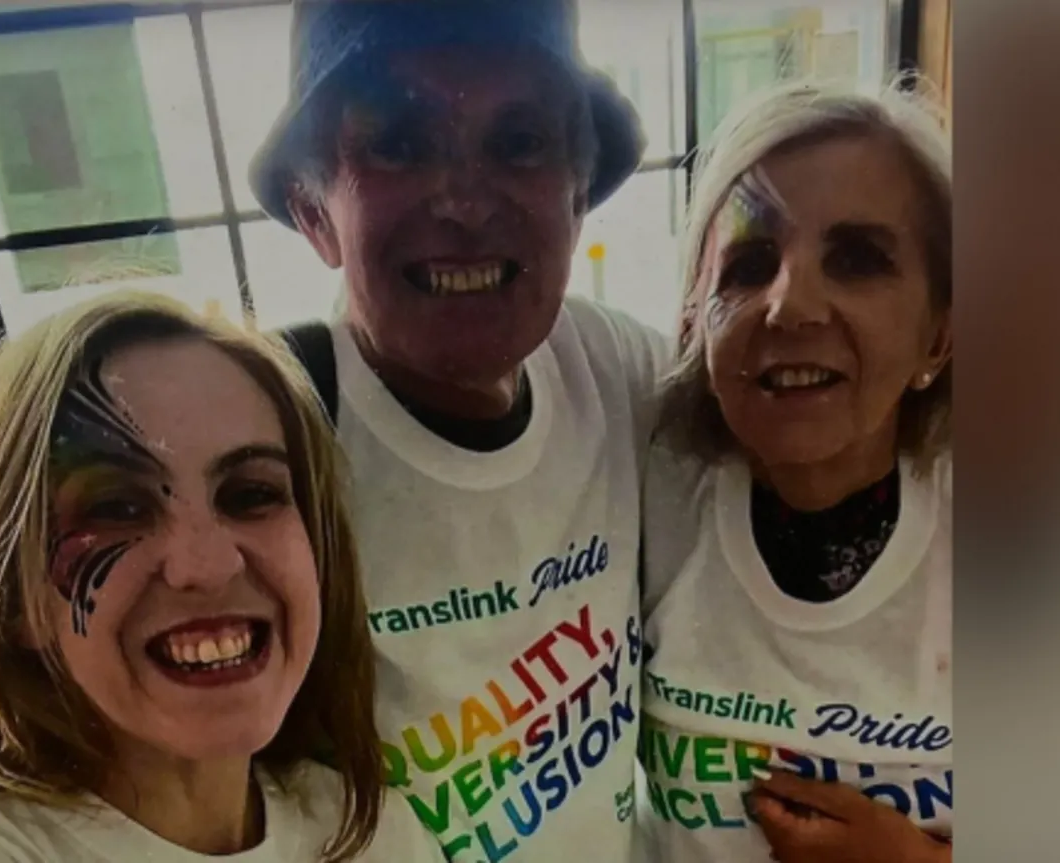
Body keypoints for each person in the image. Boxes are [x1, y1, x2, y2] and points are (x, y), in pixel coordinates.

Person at [248, 1, 670, 860]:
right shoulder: (268, 435)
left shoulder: (614, 364)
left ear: (578, 194)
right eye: (399, 144)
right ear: (313, 211)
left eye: (519, 142)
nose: (466, 203)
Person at [0, 293, 444, 862]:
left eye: (251, 494)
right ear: (15, 601)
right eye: (115, 508)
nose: (207, 567)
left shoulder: (374, 833)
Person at [637, 80, 953, 863]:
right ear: (693, 325)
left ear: (940, 336)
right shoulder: (646, 492)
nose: (790, 305)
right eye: (748, 264)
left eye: (857, 259)